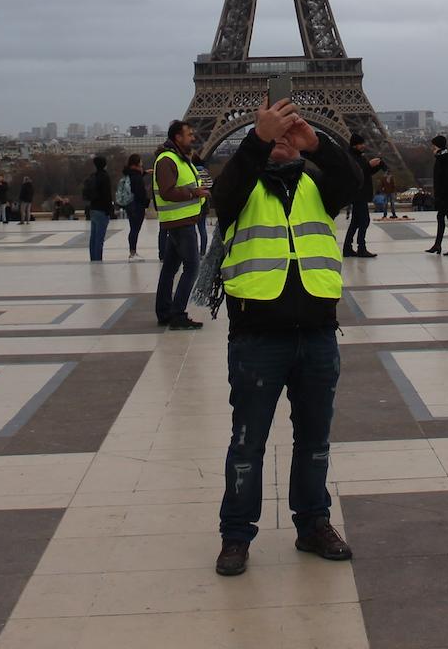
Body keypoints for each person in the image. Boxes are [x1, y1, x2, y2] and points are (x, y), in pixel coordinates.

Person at [207, 98, 358, 578]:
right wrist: (255, 137)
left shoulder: (320, 188)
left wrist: (319, 143)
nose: (280, 145)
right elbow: (222, 192)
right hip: (258, 338)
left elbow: (356, 182)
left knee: (315, 441)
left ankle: (313, 523)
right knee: (247, 443)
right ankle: (236, 535)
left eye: (286, 139)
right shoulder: (241, 191)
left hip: (316, 335)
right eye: (273, 139)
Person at [153, 123, 206, 329]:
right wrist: (194, 193)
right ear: (177, 137)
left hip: (182, 220)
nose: (193, 137)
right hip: (180, 222)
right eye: (189, 134)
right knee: (192, 267)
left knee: (170, 269)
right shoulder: (168, 160)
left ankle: (165, 311)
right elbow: (167, 192)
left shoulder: (180, 158)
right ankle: (177, 314)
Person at [341, 134, 381, 258]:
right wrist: (369, 165)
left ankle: (347, 248)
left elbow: (366, 172)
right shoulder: (352, 157)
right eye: (361, 143)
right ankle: (361, 248)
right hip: (359, 194)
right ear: (355, 144)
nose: (364, 146)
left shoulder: (357, 156)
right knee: (364, 221)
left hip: (359, 193)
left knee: (356, 222)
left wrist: (376, 166)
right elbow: (356, 171)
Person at [119, 154, 149, 259]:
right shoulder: (137, 177)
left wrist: (144, 173)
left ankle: (132, 251)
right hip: (137, 205)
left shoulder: (129, 174)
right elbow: (140, 192)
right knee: (135, 229)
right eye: (140, 162)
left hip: (130, 204)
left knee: (133, 228)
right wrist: (146, 203)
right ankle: (133, 252)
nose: (142, 164)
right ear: (137, 163)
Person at [82, 155, 111, 262]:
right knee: (100, 238)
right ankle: (98, 259)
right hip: (102, 209)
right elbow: (107, 195)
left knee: (93, 237)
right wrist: (110, 210)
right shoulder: (105, 177)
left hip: (93, 208)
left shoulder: (93, 176)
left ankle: (93, 258)